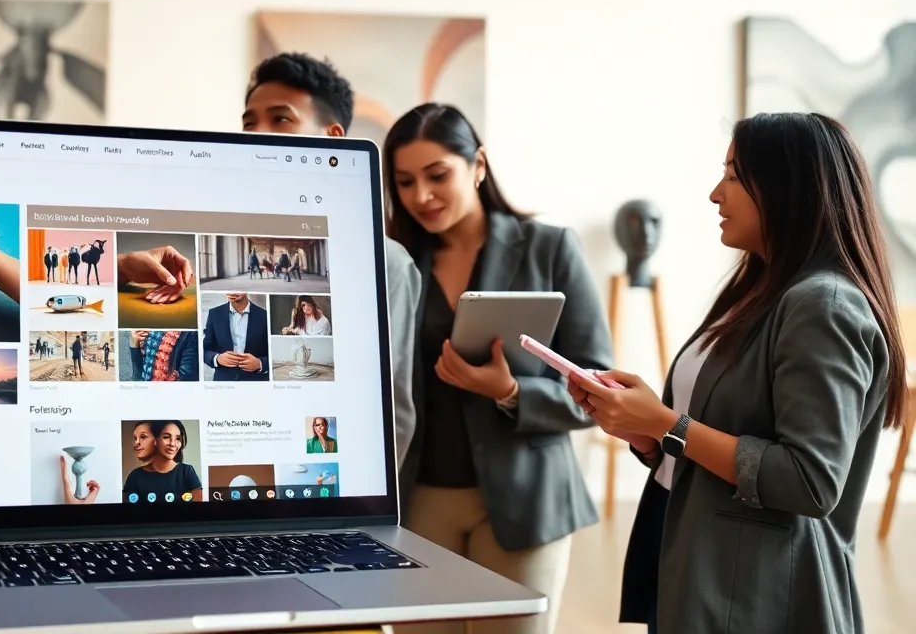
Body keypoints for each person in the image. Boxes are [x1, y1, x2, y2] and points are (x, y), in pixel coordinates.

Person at [568, 112, 908, 634]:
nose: (714, 194)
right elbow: (716, 435)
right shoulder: (757, 289)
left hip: (754, 592)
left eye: (732, 175)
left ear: (786, 188)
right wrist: (647, 435)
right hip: (696, 559)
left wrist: (667, 425)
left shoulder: (824, 305)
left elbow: (810, 481)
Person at [387, 103, 613, 634]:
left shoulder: (550, 247)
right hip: (420, 501)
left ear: (479, 166)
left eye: (438, 175)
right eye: (404, 182)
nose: (421, 196)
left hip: (527, 498)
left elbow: (598, 382)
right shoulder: (392, 263)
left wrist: (511, 391)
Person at [241, 52, 422, 467]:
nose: (256, 134)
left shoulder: (384, 262)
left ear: (332, 138)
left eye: (280, 119)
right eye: (249, 122)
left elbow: (390, 406)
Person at [122, 420, 203, 502]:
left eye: (178, 438)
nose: (173, 444)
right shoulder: (135, 476)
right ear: (155, 440)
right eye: (166, 437)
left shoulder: (187, 472)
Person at [202, 293, 270, 381]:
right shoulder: (214, 314)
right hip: (223, 382)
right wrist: (217, 358)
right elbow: (204, 350)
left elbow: (274, 352)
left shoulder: (264, 315)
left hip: (256, 382)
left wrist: (260, 363)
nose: (232, 292)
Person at [128, 329, 199, 381]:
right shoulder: (147, 327)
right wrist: (134, 344)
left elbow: (188, 380)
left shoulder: (189, 333)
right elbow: (137, 375)